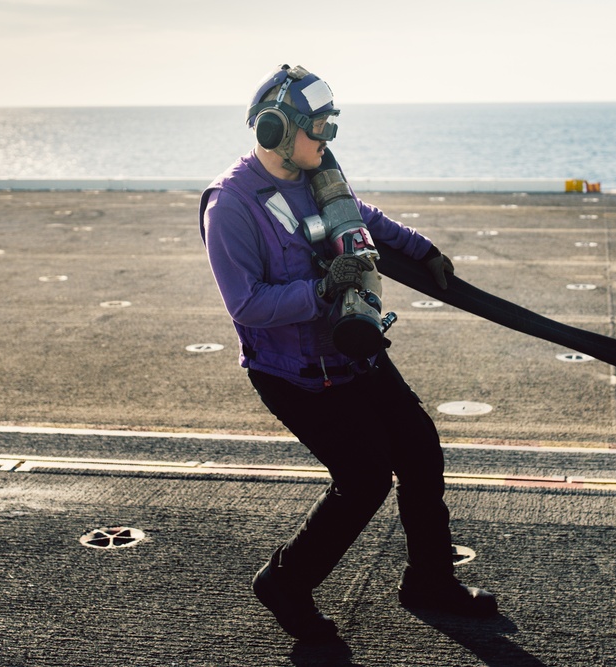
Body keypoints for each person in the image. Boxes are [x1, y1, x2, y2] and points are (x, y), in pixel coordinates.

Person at [199, 64, 496, 642]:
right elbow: (248, 305)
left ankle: (429, 581)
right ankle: (285, 582)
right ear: (275, 130)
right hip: (295, 373)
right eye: (319, 128)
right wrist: (322, 290)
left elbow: (363, 220)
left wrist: (423, 250)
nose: (328, 140)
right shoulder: (230, 206)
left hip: (353, 353)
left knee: (418, 447)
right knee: (363, 477)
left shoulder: (318, 173)